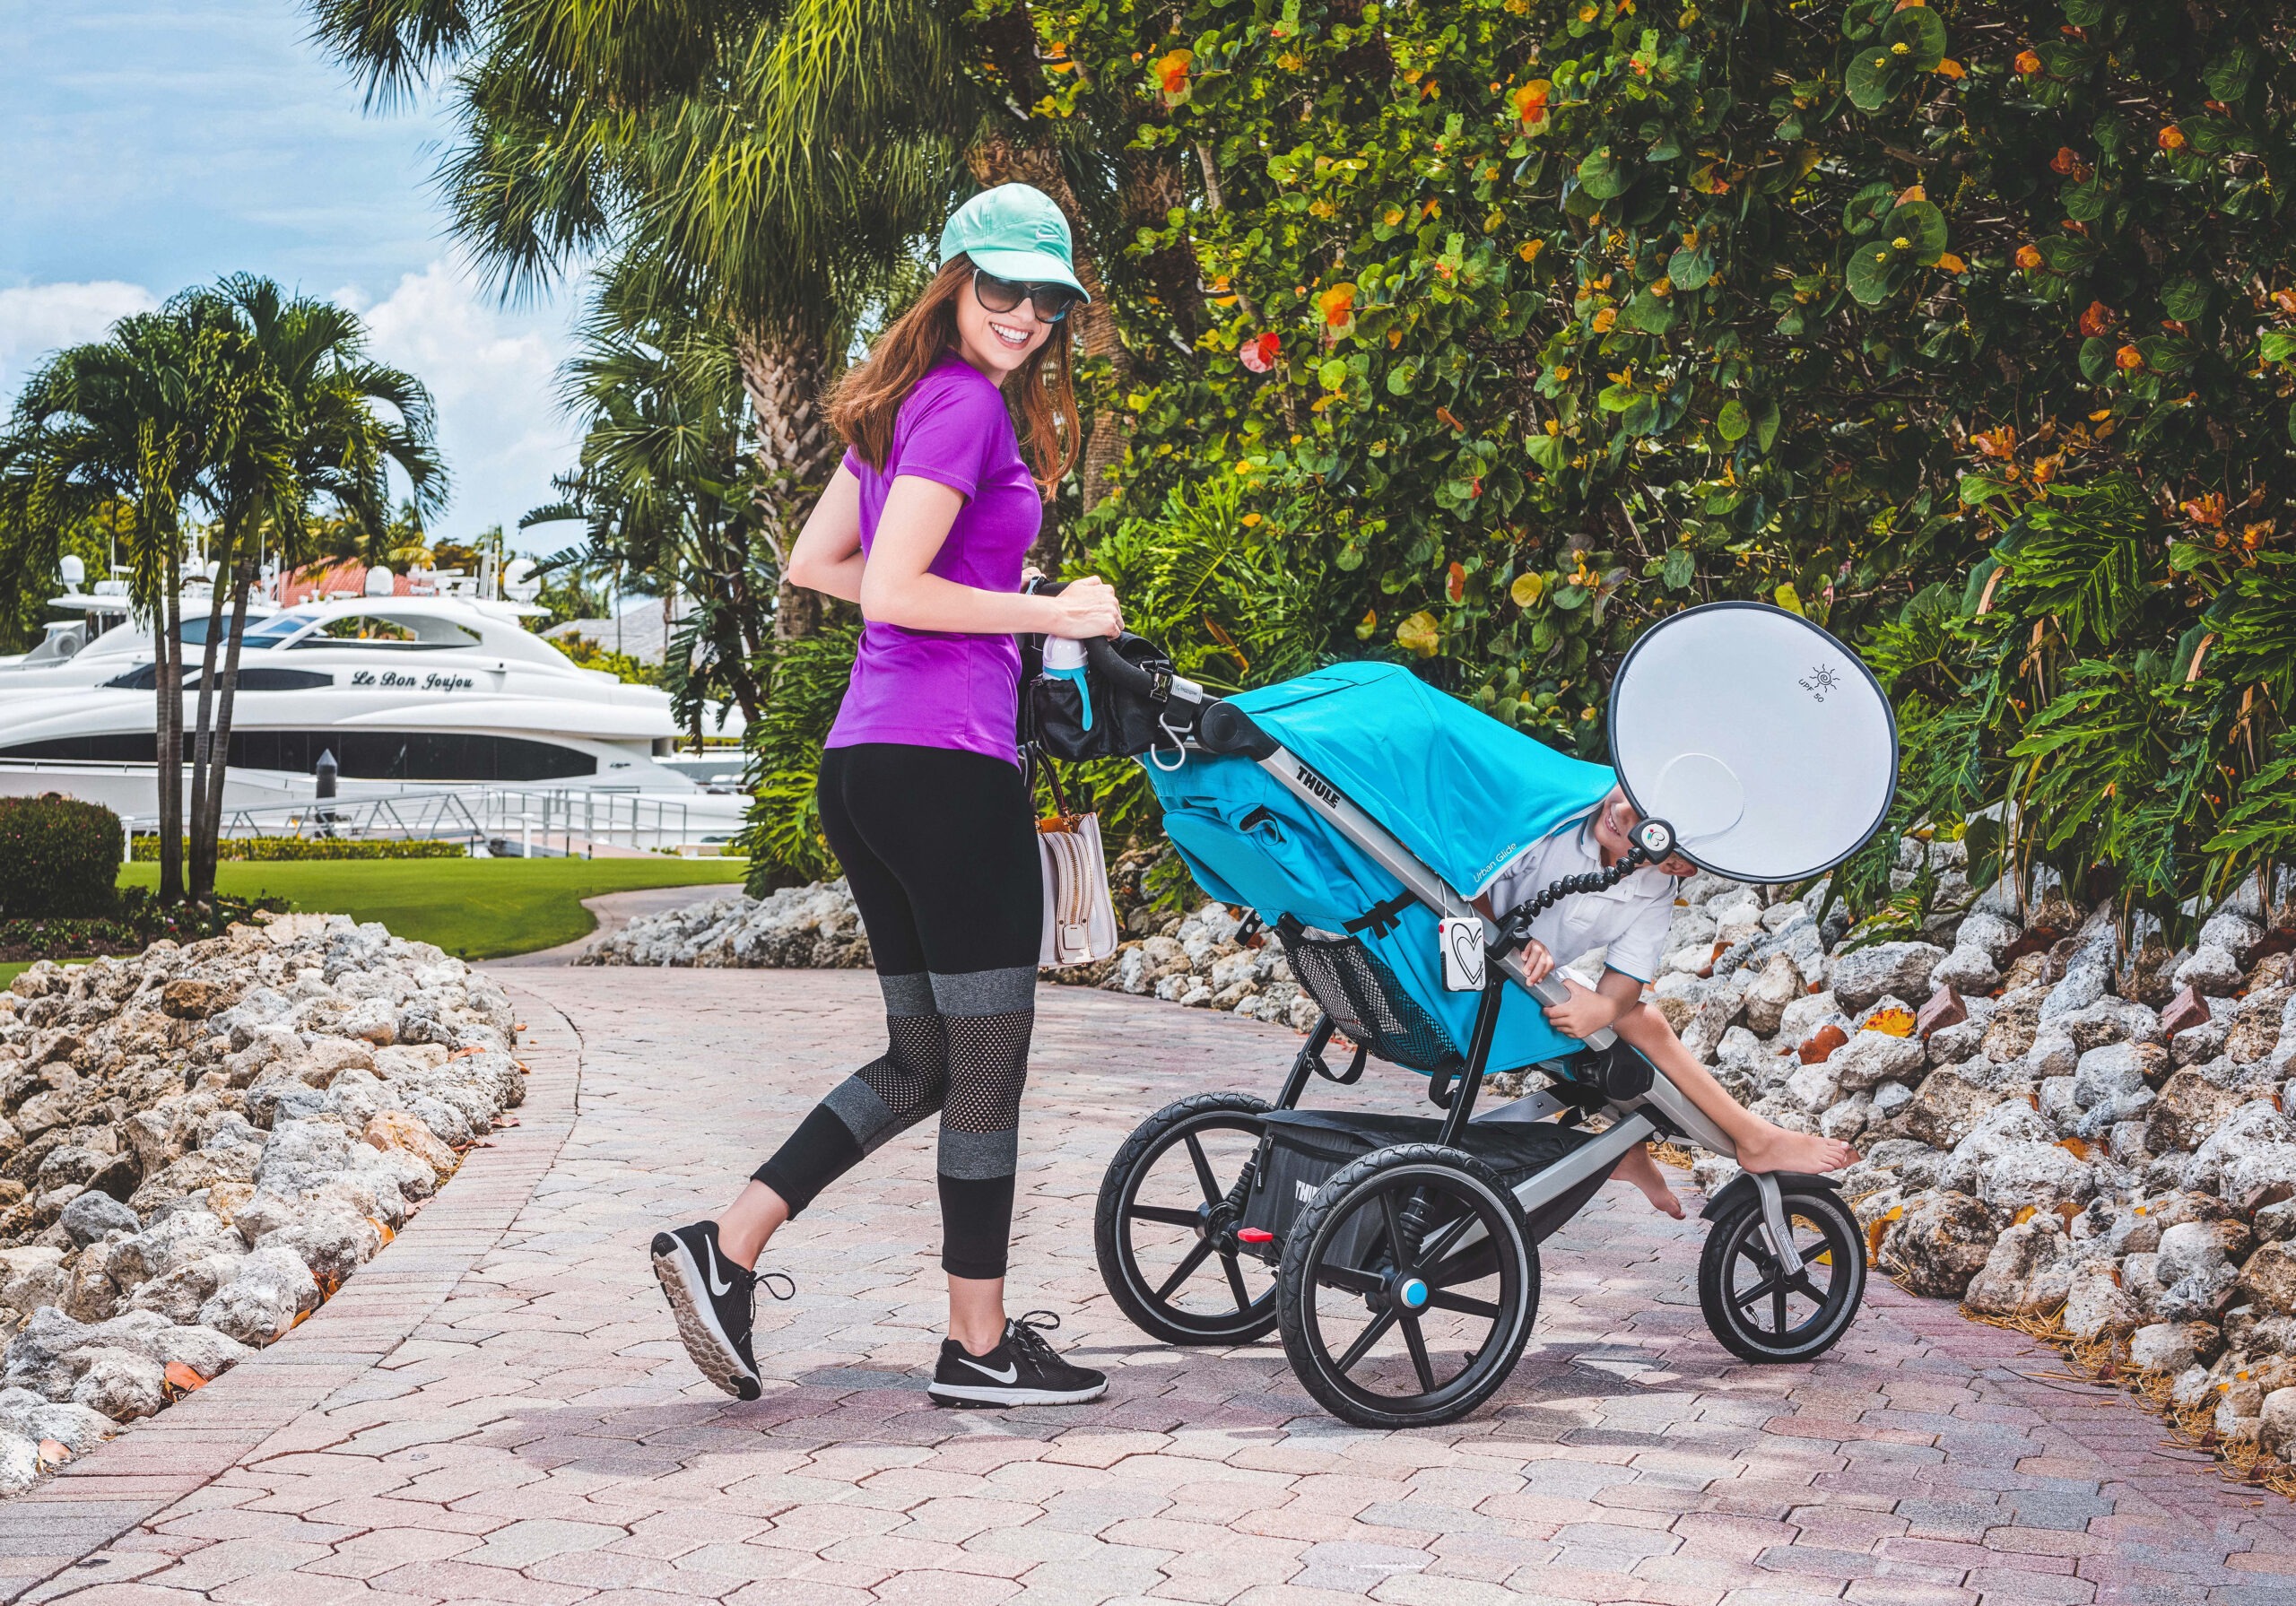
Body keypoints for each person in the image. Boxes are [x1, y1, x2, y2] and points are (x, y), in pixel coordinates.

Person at [650, 184, 1124, 1409]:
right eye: (1002, 287)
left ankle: (730, 1243)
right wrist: (1048, 608)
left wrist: (994, 592)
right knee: (986, 1061)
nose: (1023, 313)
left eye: (1045, 297)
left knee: (926, 1057)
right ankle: (978, 1345)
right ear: (956, 281)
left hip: (868, 766)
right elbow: (895, 586)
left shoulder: (904, 404)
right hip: (945, 768)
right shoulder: (963, 407)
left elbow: (819, 562)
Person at [1476, 786, 1858, 1218]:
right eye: (1629, 794)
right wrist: (1512, 941)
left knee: (1629, 1021)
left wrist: (1604, 1009)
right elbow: (1471, 877)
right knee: (1646, 1025)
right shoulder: (1559, 818)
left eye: (1645, 820)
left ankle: (1629, 1146)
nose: (1621, 811)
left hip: (1526, 975)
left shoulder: (1655, 885)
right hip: (1482, 965)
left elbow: (1627, 976)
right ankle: (1753, 1138)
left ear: (1677, 862)